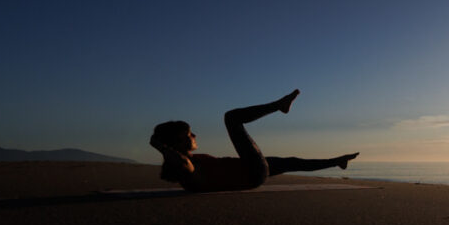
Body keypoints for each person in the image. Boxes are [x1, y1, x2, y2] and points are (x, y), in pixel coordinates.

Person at [149, 89, 358, 192]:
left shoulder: (191, 163)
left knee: (292, 162)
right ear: (176, 143)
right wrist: (160, 146)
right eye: (189, 135)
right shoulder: (188, 168)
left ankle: (338, 161)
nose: (194, 136)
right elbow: (182, 163)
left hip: (251, 170)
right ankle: (279, 106)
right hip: (251, 171)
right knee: (231, 118)